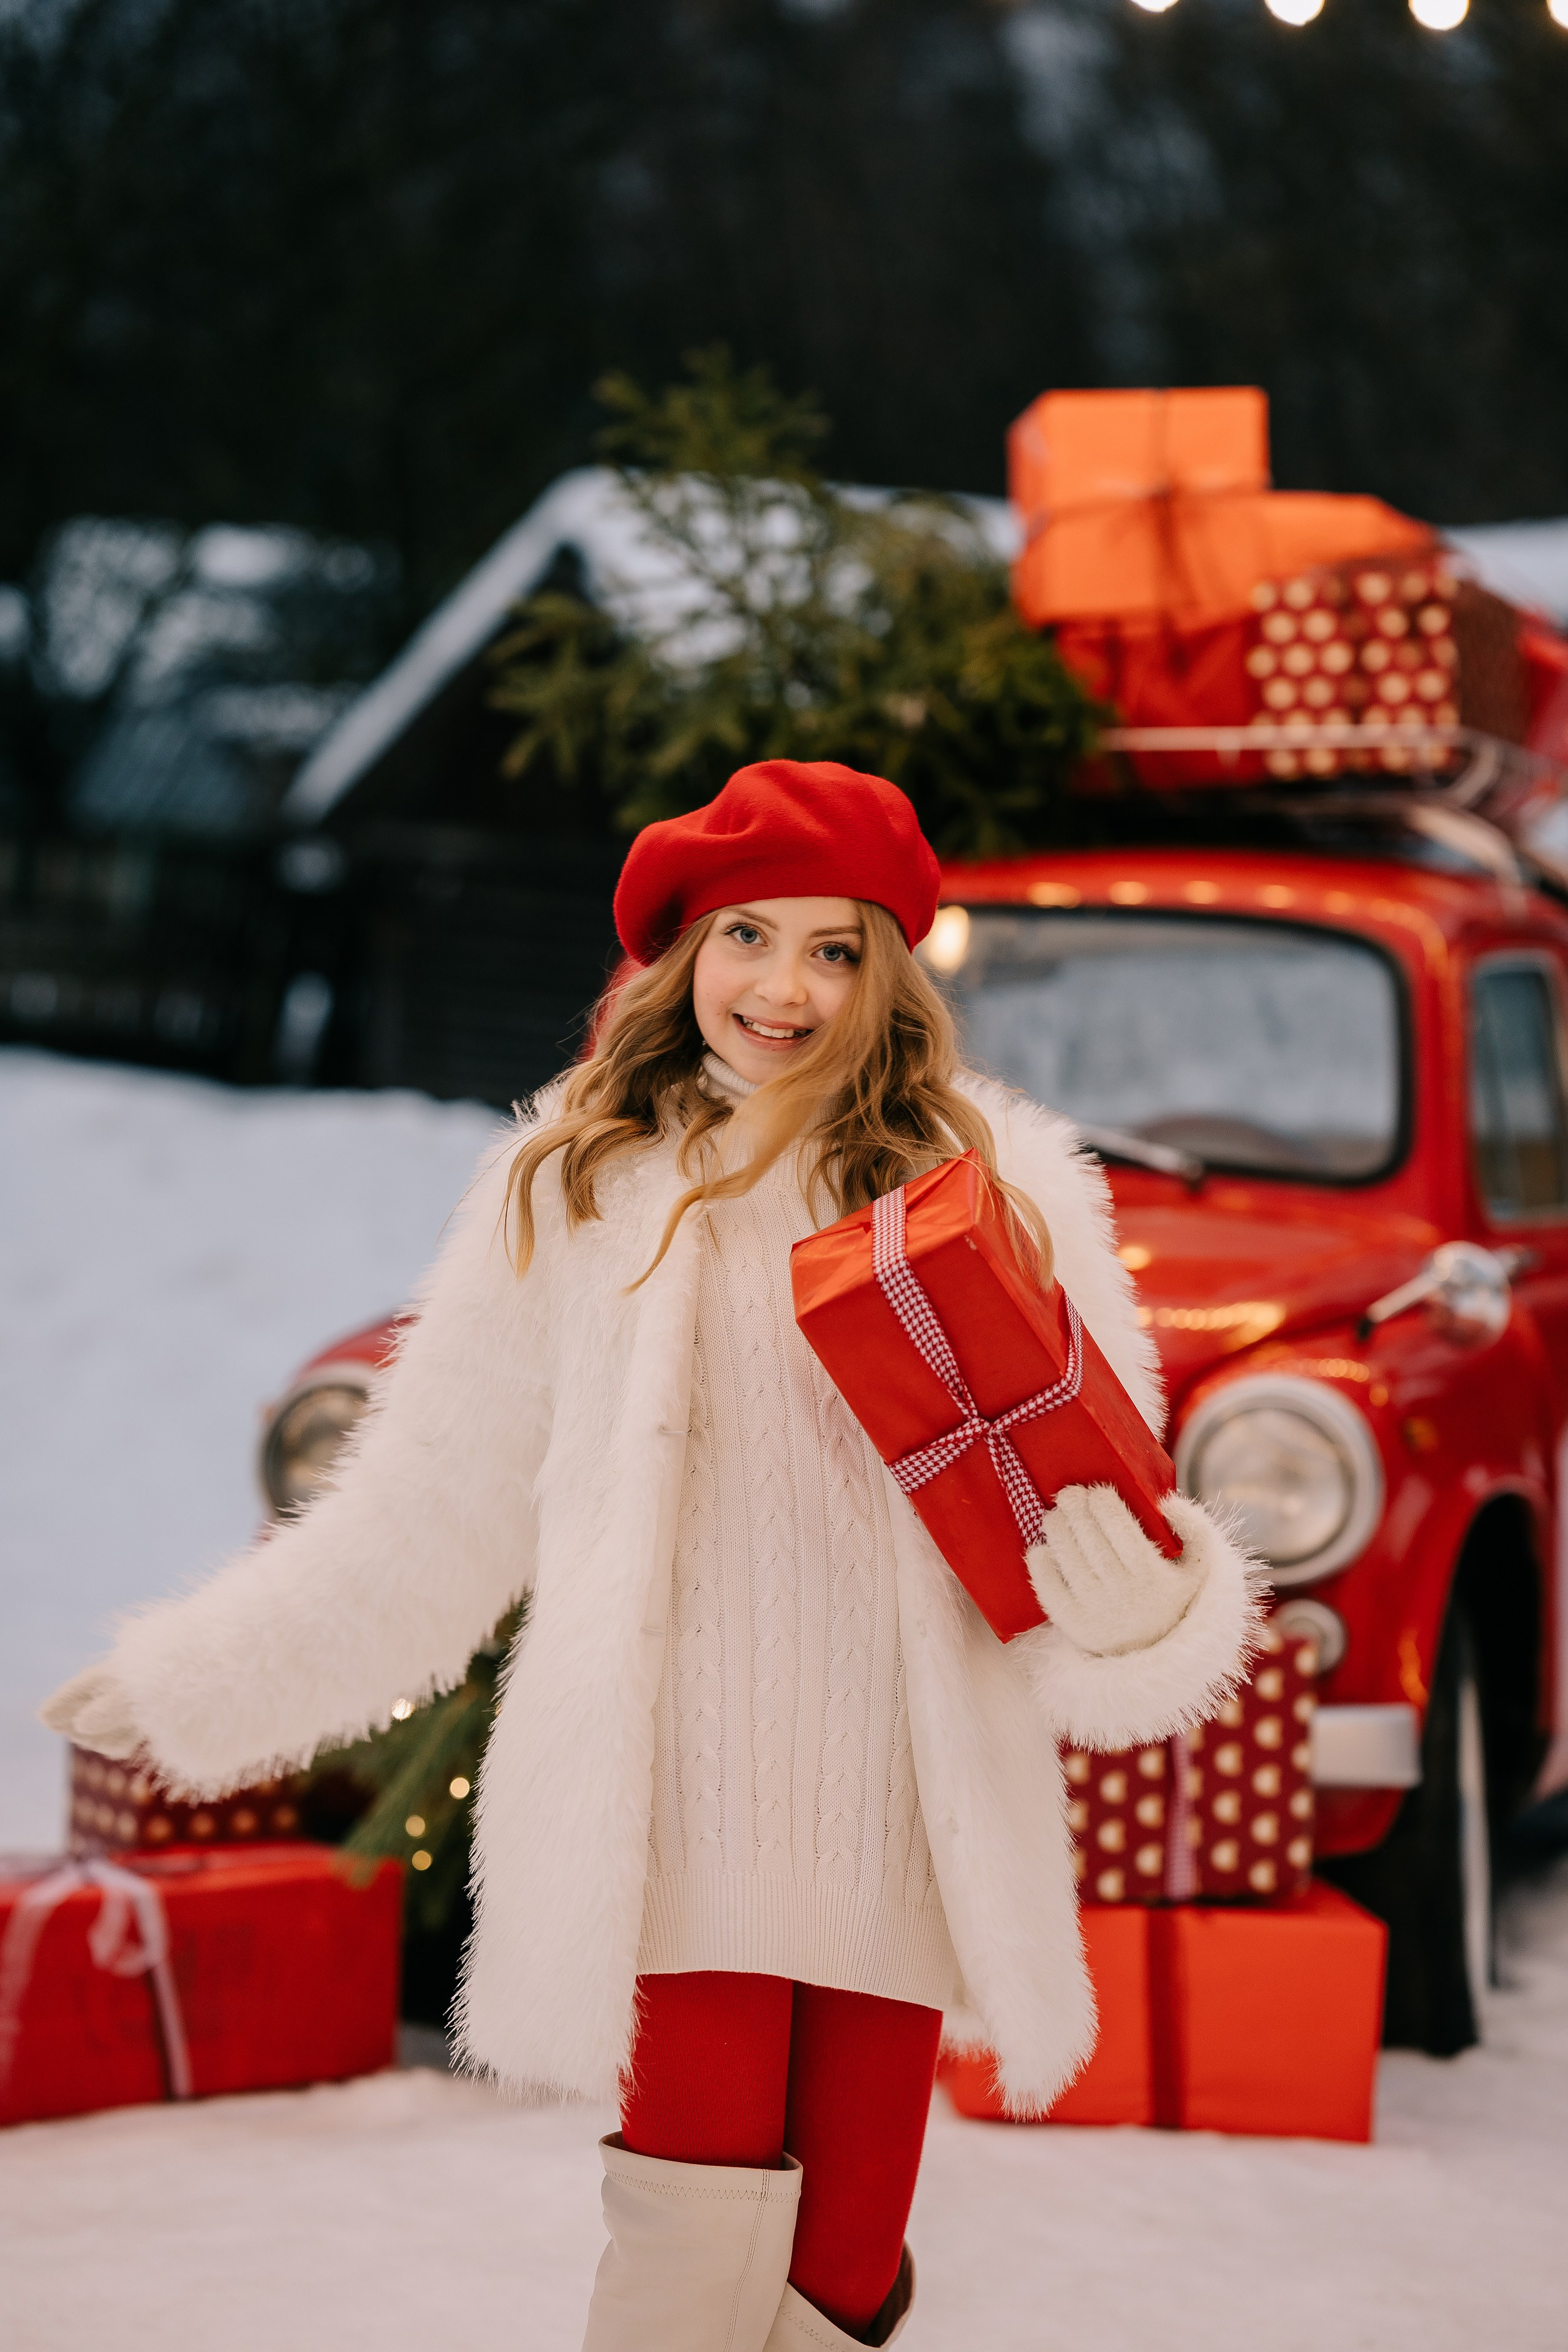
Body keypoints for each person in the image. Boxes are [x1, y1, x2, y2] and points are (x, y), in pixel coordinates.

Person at [44, 761, 1257, 2350]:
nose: (787, 987)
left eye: (836, 949)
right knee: (688, 2242)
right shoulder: (580, 1192)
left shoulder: (1003, 1198)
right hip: (678, 1800)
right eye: (751, 936)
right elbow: (430, 1509)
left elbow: (1096, 1494)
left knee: (841, 2271)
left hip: (899, 1798)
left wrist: (1153, 1604)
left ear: (888, 977)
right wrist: (194, 1682)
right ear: (682, 953)